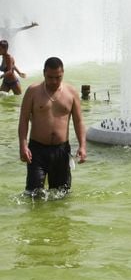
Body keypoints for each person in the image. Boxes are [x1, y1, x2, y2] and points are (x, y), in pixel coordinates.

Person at [18, 56, 87, 194]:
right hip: (36, 151)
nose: (54, 81)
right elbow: (24, 120)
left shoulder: (71, 92)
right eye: (50, 77)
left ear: (63, 74)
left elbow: (78, 121)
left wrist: (82, 146)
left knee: (61, 194)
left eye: (58, 77)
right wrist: (23, 146)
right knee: (33, 194)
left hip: (61, 151)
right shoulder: (33, 91)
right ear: (44, 73)